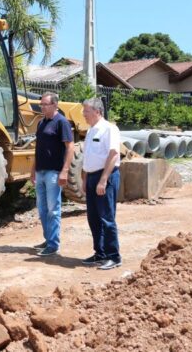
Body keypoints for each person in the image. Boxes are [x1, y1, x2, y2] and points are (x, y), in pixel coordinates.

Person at [80, 97, 122, 270]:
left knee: (107, 218)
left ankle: (114, 256)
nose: (83, 114)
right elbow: (87, 157)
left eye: (86, 111)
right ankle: (100, 253)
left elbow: (113, 155)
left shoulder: (109, 129)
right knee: (93, 218)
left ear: (97, 111)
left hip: (105, 176)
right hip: (90, 177)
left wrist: (103, 180)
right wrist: (84, 179)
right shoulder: (91, 131)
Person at [32, 92, 74, 257]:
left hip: (53, 172)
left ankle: (53, 244)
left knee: (53, 209)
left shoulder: (61, 122)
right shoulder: (41, 123)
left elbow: (70, 147)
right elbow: (38, 149)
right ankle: (48, 238)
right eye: (41, 104)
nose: (42, 107)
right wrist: (32, 170)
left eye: (45, 104)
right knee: (42, 209)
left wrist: (65, 170)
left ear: (55, 105)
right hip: (40, 172)